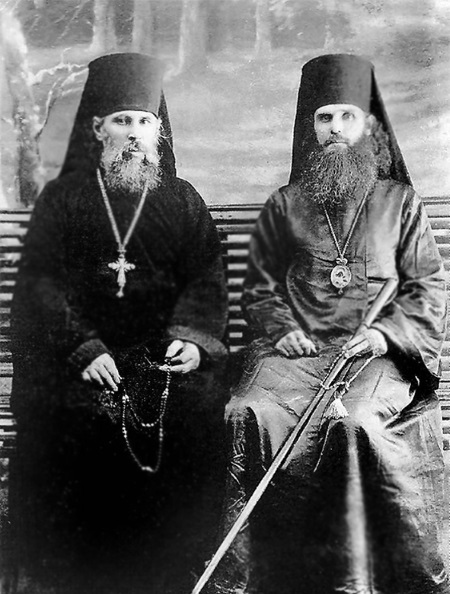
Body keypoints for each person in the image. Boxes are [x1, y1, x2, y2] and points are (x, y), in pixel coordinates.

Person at [209, 54, 449, 594]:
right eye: (324, 118)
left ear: (368, 126)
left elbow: (427, 289)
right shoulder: (284, 204)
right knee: (248, 411)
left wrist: (384, 335)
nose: (335, 128)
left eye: (346, 116)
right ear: (310, 128)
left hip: (376, 356)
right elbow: (260, 290)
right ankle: (254, 577)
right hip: (295, 354)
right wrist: (282, 329)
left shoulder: (401, 204)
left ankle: (354, 580)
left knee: (355, 421)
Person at [9, 53, 228, 594]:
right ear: (96, 129)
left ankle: (175, 562)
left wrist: (193, 340)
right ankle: (79, 567)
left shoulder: (182, 199)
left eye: (144, 121)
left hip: (160, 355)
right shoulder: (63, 200)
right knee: (71, 416)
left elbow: (207, 278)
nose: (133, 133)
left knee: (196, 409)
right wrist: (83, 348)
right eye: (121, 120)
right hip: (81, 355)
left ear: (159, 131)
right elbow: (40, 286)